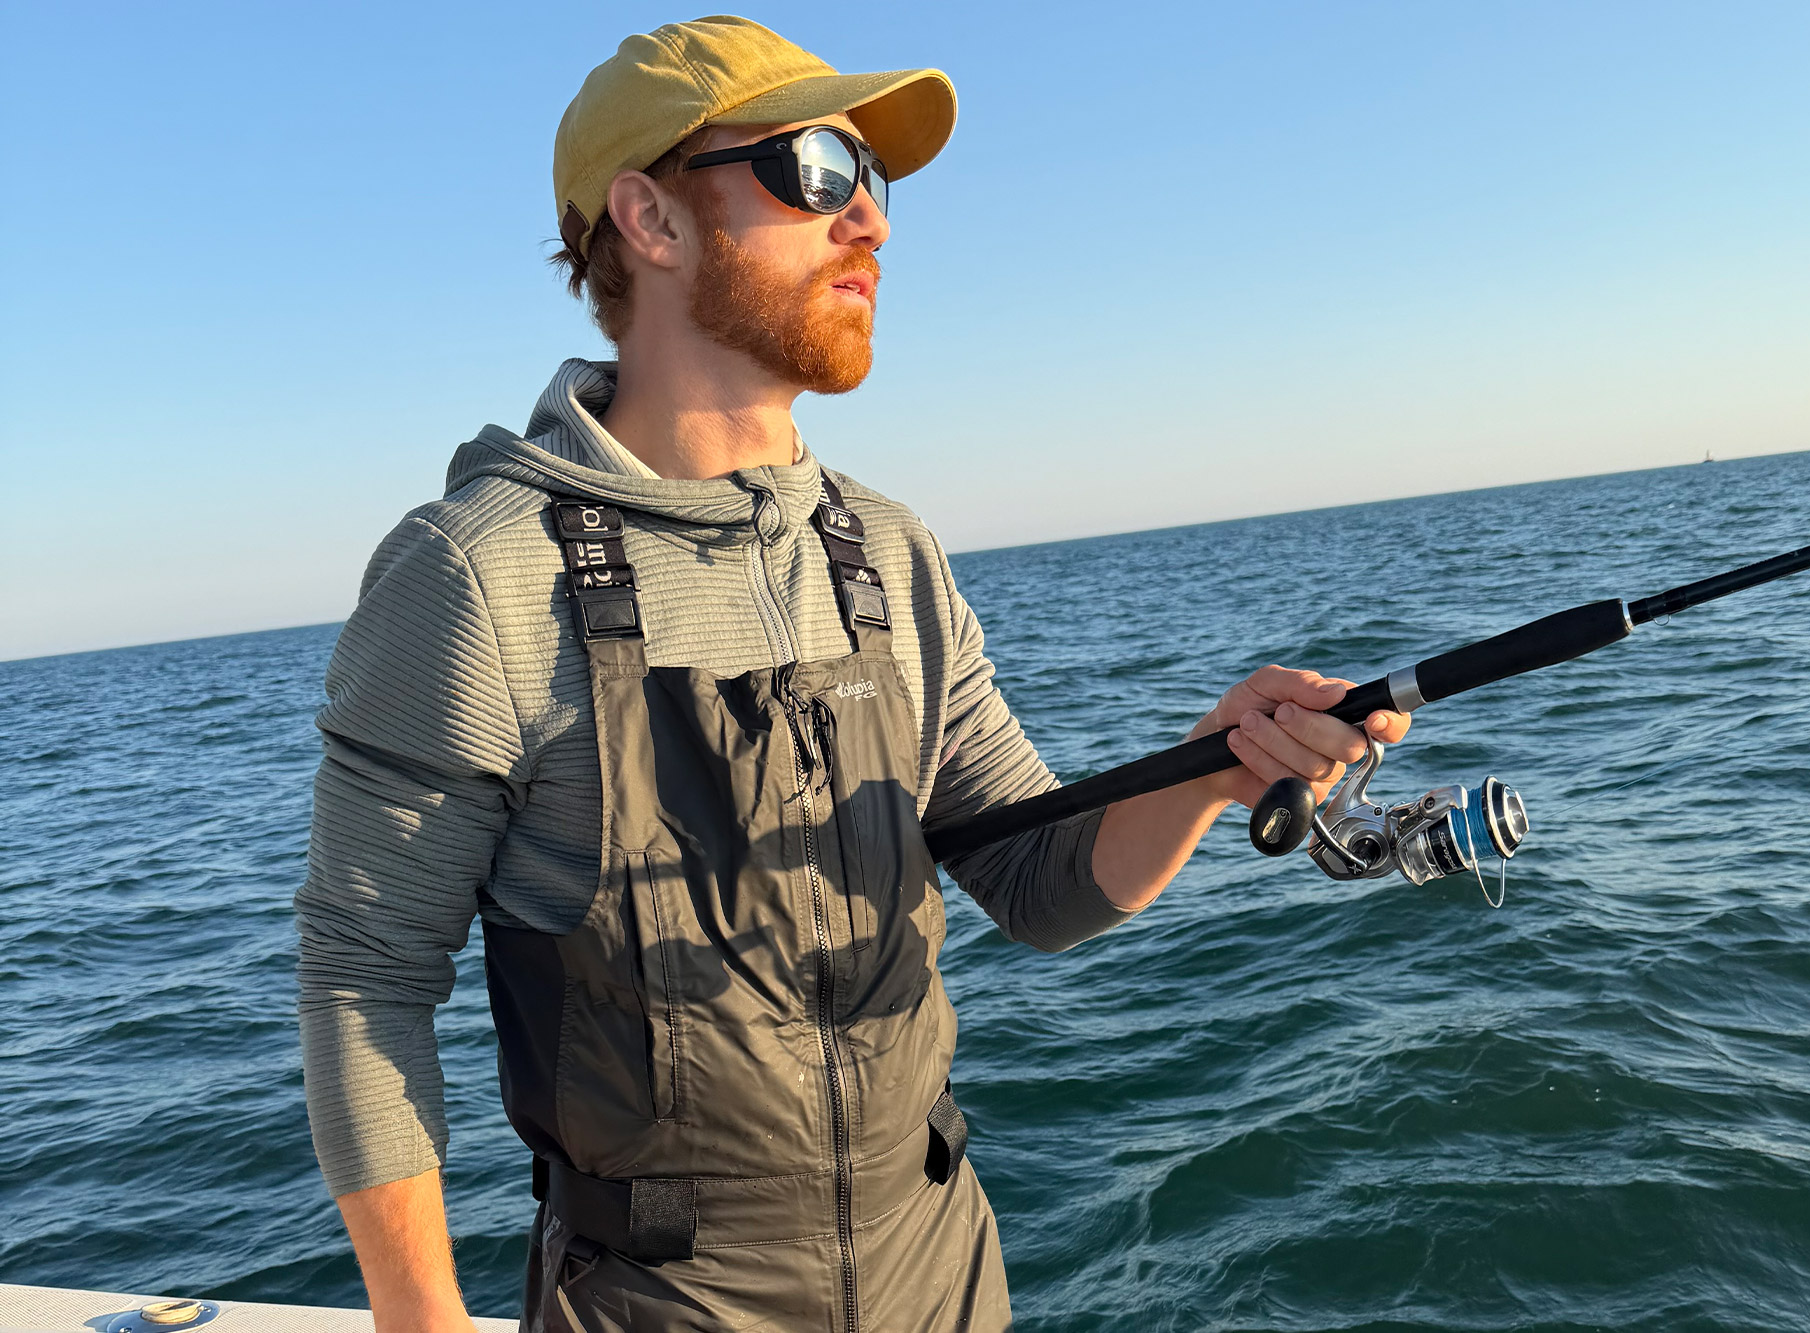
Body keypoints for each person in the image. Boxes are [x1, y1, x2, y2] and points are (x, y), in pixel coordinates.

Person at [294, 16, 1412, 1333]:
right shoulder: (474, 574)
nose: (869, 221)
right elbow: (366, 975)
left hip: (945, 1279)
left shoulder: (888, 553)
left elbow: (1035, 882)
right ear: (647, 218)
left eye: (869, 180)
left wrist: (1208, 773)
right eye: (814, 169)